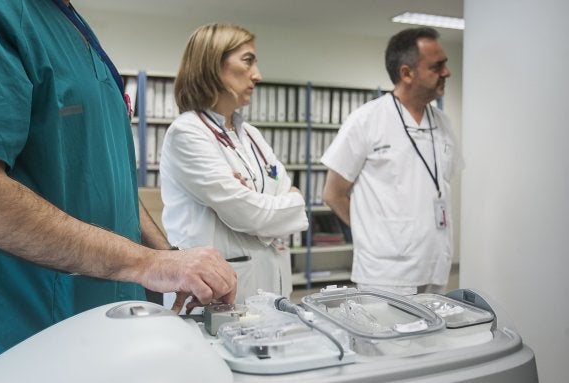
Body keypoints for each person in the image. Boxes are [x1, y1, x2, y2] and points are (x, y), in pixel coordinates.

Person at [0, 0, 237, 356]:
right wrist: (148, 263)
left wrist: (168, 256)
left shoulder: (70, 24)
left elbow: (110, 180)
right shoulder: (8, 16)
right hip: (37, 331)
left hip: (110, 320)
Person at [160, 23, 309, 303]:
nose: (258, 75)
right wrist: (284, 204)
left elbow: (270, 198)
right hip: (218, 292)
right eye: (248, 60)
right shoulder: (187, 133)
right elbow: (247, 213)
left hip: (272, 281)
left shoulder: (250, 134)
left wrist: (255, 201)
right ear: (212, 64)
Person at [321, 27, 463, 296]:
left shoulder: (443, 123)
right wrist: (374, 233)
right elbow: (333, 194)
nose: (447, 72)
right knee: (389, 338)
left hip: (435, 265)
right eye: (437, 66)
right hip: (386, 273)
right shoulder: (367, 120)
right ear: (407, 73)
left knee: (432, 338)